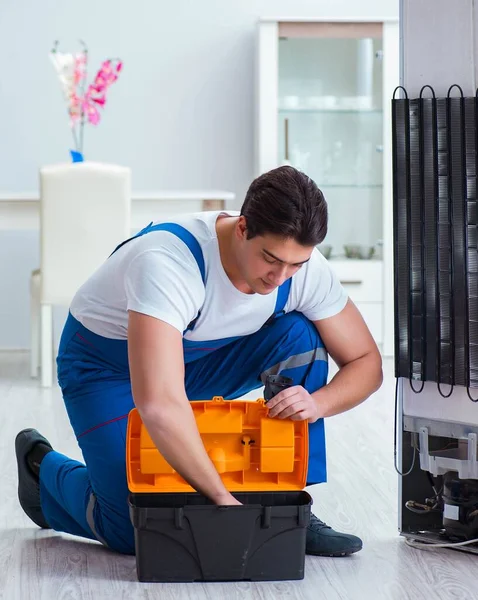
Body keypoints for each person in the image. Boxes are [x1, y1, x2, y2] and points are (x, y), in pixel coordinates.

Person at [16, 165, 382, 557]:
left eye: (296, 264)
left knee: (300, 336)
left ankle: (287, 508)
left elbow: (366, 362)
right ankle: (44, 475)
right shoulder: (167, 262)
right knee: (133, 528)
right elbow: (158, 403)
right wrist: (223, 505)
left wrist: (318, 403)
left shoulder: (301, 271)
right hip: (105, 368)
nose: (281, 276)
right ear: (242, 228)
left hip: (197, 358)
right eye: (271, 259)